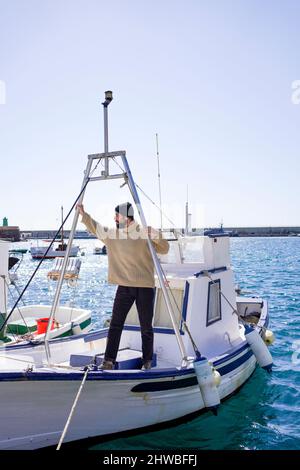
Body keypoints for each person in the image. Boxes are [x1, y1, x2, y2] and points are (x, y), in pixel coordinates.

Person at [77, 202, 169, 370]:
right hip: (124, 287)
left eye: (117, 215)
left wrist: (156, 234)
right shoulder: (113, 234)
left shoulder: (144, 232)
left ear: (126, 217)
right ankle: (108, 361)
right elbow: (94, 227)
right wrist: (83, 214)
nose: (114, 218)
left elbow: (164, 249)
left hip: (145, 287)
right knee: (115, 324)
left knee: (146, 327)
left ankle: (147, 361)